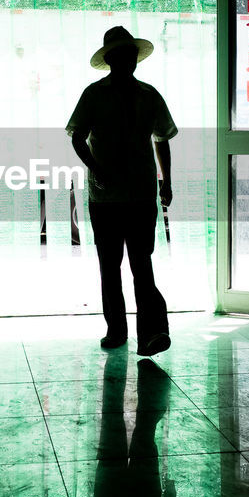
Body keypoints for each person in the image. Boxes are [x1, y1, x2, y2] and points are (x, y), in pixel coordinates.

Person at [67, 26, 177, 355]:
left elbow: (162, 140)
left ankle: (149, 332)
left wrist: (166, 181)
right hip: (108, 196)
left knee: (139, 264)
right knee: (114, 265)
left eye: (128, 56)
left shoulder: (148, 95)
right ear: (112, 59)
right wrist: (97, 169)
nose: (126, 61)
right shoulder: (95, 94)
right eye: (121, 56)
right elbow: (77, 137)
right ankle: (119, 329)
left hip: (135, 194)